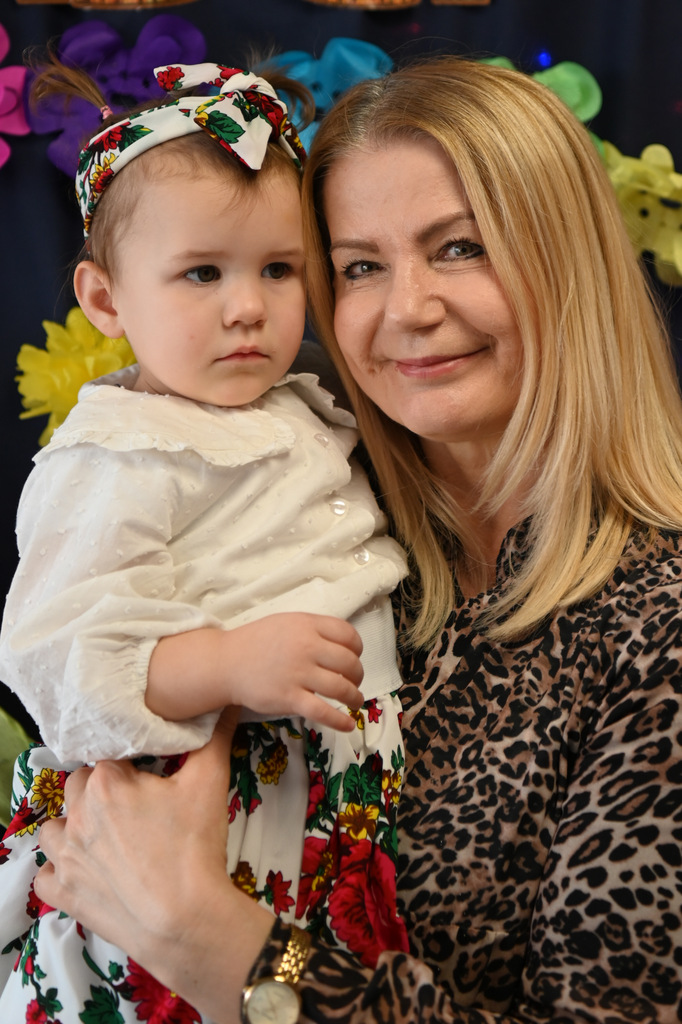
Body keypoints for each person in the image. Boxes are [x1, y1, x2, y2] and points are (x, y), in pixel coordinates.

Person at [25, 53, 682, 1023]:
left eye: (460, 248)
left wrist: (216, 944)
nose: (408, 309)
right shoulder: (322, 513)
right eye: (360, 267)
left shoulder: (655, 621)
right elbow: (76, 667)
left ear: (568, 261)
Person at [0, 57, 411, 1023]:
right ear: (106, 300)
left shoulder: (300, 406)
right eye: (202, 273)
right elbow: (59, 664)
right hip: (204, 804)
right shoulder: (119, 453)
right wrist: (225, 663)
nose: (248, 306)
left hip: (330, 799)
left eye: (278, 269)